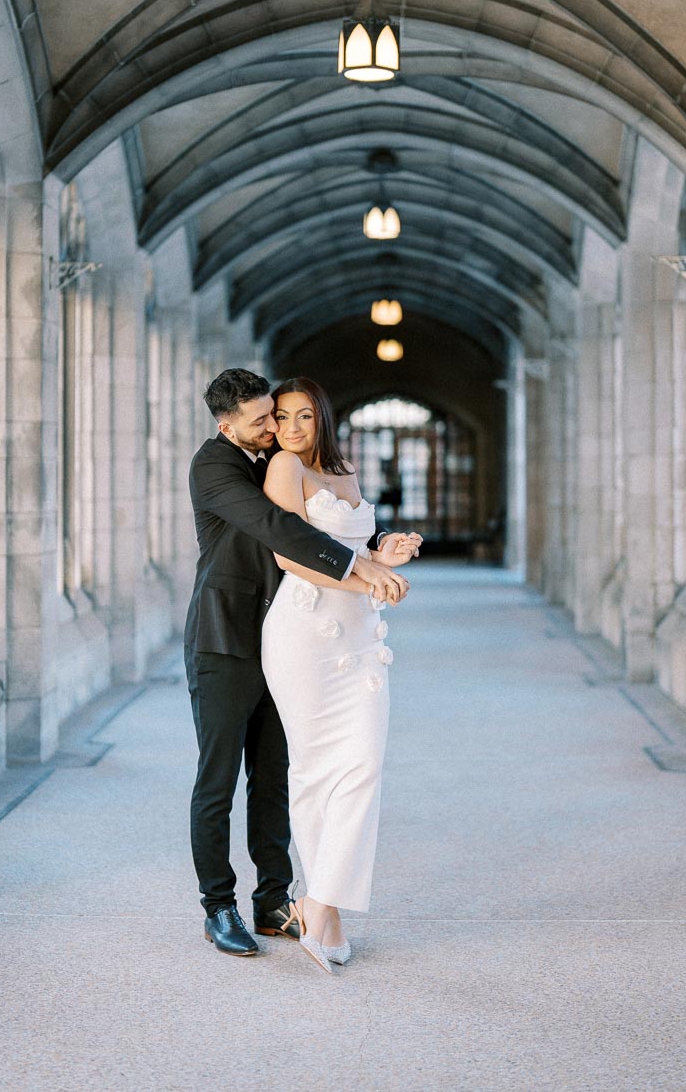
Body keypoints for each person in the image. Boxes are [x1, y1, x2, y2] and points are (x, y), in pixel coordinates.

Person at [184, 369, 413, 958]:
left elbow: (321, 511)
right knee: (217, 780)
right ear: (225, 424)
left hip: (283, 640)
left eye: (278, 416)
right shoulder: (213, 466)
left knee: (273, 778)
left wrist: (378, 540)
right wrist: (363, 571)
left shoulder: (275, 457)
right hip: (226, 639)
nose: (273, 429)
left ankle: (273, 903)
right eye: (261, 421)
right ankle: (218, 908)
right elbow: (279, 526)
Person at [261, 378, 421, 972]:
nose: (293, 428)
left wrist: (388, 554)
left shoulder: (346, 471)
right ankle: (323, 910)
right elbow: (292, 554)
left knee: (364, 765)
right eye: (282, 418)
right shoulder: (284, 469)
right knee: (313, 770)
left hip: (359, 637)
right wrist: (368, 579)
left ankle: (318, 899)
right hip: (304, 633)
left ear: (322, 418)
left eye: (304, 416)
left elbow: (354, 546)